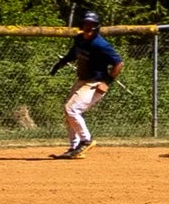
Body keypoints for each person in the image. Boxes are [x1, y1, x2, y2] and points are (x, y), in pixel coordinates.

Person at [48, 11, 122, 159]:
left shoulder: (101, 44)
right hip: (83, 80)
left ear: (97, 27)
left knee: (72, 109)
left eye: (92, 25)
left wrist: (107, 82)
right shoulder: (79, 39)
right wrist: (60, 64)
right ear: (81, 25)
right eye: (86, 24)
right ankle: (74, 147)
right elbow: (73, 54)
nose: (88, 27)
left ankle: (86, 140)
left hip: (96, 82)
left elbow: (118, 63)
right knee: (68, 114)